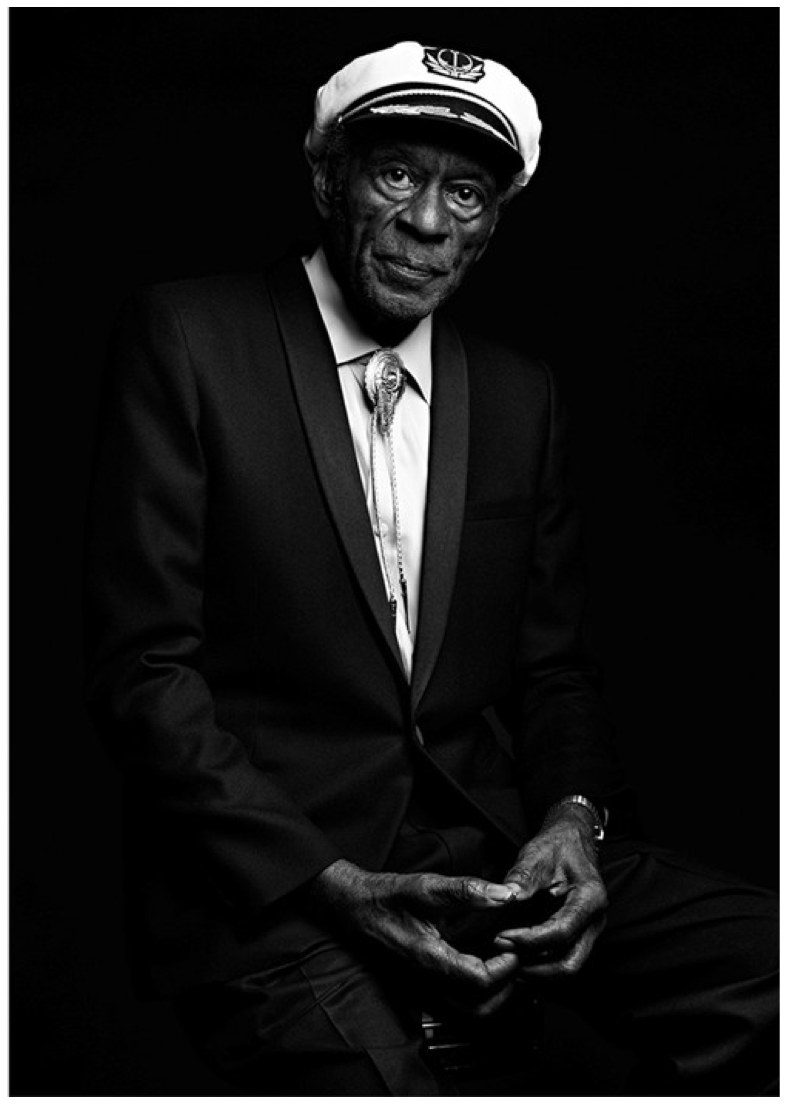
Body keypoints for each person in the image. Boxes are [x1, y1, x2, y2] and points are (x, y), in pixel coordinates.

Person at [83, 40, 778, 1096]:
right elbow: (143, 673)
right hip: (277, 875)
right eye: (397, 174)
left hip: (493, 848)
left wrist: (571, 822)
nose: (427, 222)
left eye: (465, 193)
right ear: (329, 179)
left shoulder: (517, 394)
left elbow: (554, 669)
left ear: (491, 222)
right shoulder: (186, 337)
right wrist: (334, 881)